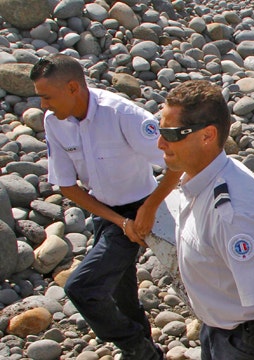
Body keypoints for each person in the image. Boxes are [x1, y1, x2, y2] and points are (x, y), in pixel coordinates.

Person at [31, 54, 181, 359]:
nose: (43, 105)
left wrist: (149, 209)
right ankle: (145, 351)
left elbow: (176, 162)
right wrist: (116, 221)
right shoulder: (54, 123)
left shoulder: (121, 114)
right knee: (120, 293)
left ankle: (138, 349)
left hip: (141, 209)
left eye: (47, 97)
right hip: (106, 213)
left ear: (72, 87)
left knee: (81, 288)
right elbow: (66, 184)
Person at [157, 80, 254, 360]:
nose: (160, 143)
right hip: (220, 326)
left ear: (207, 136)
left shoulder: (235, 216)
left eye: (170, 134)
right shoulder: (200, 175)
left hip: (245, 338)